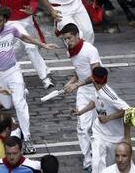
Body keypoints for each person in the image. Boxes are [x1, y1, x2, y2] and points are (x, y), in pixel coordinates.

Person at [0, 6, 57, 154]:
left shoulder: (11, 29)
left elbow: (25, 38)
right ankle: (20, 93)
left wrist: (43, 45)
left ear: (4, 20)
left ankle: (26, 138)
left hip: (13, 71)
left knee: (20, 104)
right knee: (7, 105)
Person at [59, 23, 100, 172]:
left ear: (77, 35)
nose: (67, 42)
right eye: (64, 39)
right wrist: (71, 82)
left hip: (96, 90)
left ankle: (98, 157)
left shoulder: (90, 50)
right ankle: (88, 161)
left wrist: (76, 85)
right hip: (83, 91)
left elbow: (95, 74)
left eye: (69, 38)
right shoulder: (70, 51)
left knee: (97, 128)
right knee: (82, 127)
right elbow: (80, 70)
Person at [72, 66, 129, 173]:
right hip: (99, 133)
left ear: (93, 79)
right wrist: (81, 112)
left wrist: (108, 118)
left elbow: (127, 110)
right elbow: (94, 102)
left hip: (114, 136)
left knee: (111, 167)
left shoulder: (108, 94)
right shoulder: (97, 90)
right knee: (97, 164)